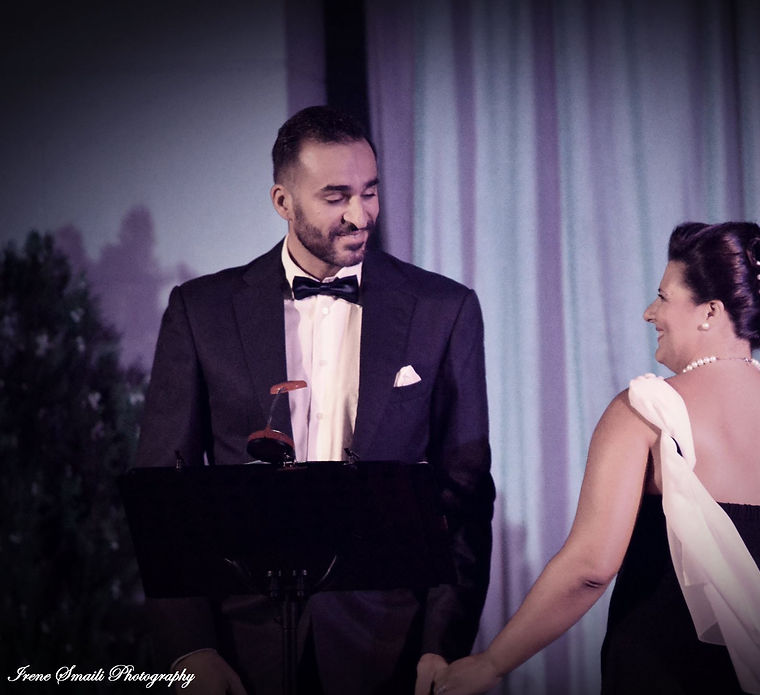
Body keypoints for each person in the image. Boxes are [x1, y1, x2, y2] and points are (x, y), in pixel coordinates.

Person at [433, 222, 760, 695]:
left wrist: (491, 663)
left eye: (664, 297)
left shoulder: (648, 411)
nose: (650, 313)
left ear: (710, 311)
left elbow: (590, 568)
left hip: (675, 671)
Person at [135, 106, 495, 694]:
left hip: (391, 644)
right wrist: (192, 648)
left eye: (369, 191)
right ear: (283, 201)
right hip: (239, 645)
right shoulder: (201, 311)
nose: (360, 214)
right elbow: (163, 493)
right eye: (336, 196)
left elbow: (465, 491)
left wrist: (442, 645)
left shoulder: (443, 309)